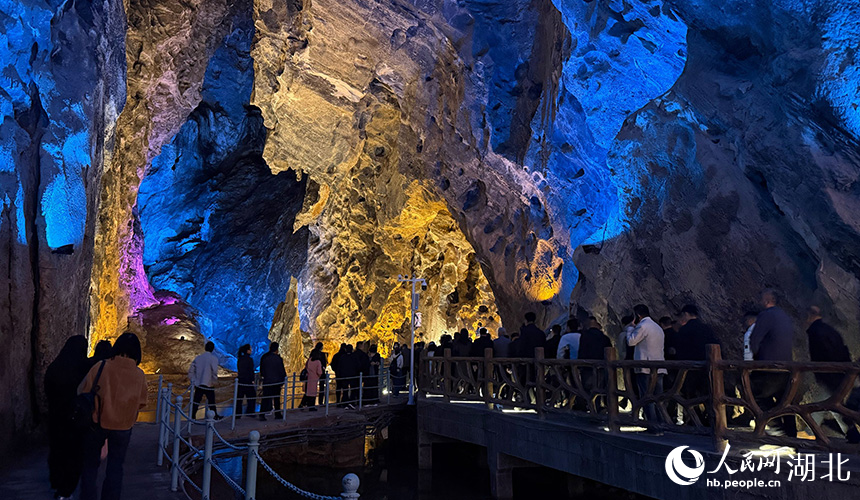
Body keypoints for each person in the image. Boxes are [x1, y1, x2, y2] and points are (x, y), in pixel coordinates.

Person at [78, 332, 148, 500]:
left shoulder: (101, 367)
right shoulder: (139, 375)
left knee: (90, 466)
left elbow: (83, 391)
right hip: (123, 427)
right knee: (116, 468)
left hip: (98, 423)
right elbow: (142, 401)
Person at [45, 335, 90, 500]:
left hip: (55, 417)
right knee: (73, 454)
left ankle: (56, 481)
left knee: (57, 450)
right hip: (75, 419)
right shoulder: (82, 368)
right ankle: (66, 490)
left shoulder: (54, 368)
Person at [749, 289, 796, 437]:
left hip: (769, 366)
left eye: (762, 298)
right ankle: (791, 435)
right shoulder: (785, 317)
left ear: (767, 300)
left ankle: (777, 428)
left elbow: (755, 339)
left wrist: (756, 359)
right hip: (787, 366)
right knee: (786, 401)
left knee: (756, 395)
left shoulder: (766, 315)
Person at [673, 305, 720, 425]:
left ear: (686, 314)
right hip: (706, 365)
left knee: (690, 394)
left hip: (689, 367)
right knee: (707, 393)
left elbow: (680, 350)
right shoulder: (706, 328)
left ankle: (695, 419)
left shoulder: (684, 330)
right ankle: (713, 419)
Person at [626, 304, 667, 423]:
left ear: (637, 315)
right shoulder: (657, 327)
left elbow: (631, 341)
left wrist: (630, 329)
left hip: (645, 368)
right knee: (658, 398)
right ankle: (662, 423)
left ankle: (652, 424)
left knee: (647, 396)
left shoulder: (642, 326)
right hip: (659, 367)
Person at [188, 341, 222, 420]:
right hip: (208, 383)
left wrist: (193, 380)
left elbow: (191, 370)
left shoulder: (198, 358)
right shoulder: (213, 359)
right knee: (211, 401)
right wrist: (214, 381)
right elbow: (214, 371)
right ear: (213, 349)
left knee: (196, 401)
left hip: (198, 383)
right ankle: (214, 415)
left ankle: (192, 416)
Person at [259, 342, 286, 421]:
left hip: (267, 381)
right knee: (277, 399)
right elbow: (282, 371)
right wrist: (282, 381)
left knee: (266, 398)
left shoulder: (264, 357)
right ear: (277, 349)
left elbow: (262, 370)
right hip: (276, 382)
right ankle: (277, 414)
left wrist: (264, 376)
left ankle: (262, 414)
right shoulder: (278, 359)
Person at [235, 344, 255, 418]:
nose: (251, 350)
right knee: (252, 397)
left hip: (241, 380)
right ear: (247, 351)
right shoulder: (249, 360)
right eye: (250, 349)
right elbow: (250, 371)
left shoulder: (240, 359)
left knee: (239, 398)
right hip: (248, 381)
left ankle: (238, 414)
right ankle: (250, 412)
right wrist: (252, 380)